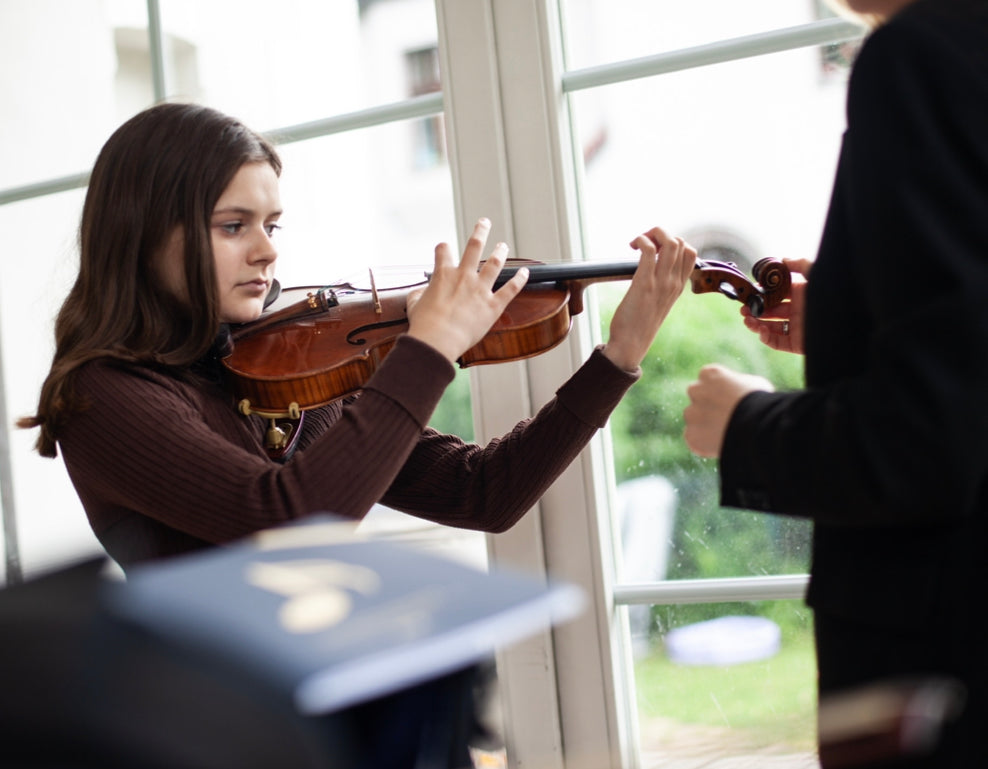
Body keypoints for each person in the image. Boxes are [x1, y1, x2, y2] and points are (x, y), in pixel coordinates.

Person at [17, 101, 697, 574]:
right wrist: (423, 349)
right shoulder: (105, 395)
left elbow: (483, 492)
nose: (266, 253)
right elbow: (289, 518)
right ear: (142, 234)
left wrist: (618, 357)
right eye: (234, 226)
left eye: (271, 226)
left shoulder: (279, 364)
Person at [682, 0, 987, 765]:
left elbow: (931, 439)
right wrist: (856, 320)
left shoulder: (918, 56)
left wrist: (744, 423)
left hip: (947, 675)